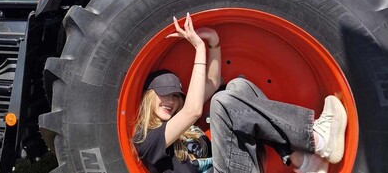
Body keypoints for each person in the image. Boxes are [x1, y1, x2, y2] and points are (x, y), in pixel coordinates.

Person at [132, 13, 348, 173]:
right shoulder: (148, 141)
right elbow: (194, 110)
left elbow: (213, 82)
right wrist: (198, 48)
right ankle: (315, 137)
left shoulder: (180, 115)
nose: (170, 101)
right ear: (149, 97)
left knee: (238, 87)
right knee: (223, 102)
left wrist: (213, 42)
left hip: (237, 165)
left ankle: (301, 160)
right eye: (164, 94)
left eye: (176, 95)